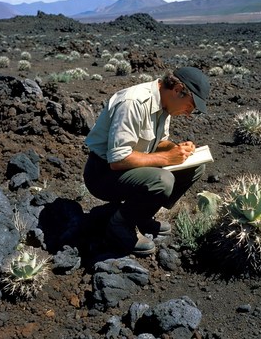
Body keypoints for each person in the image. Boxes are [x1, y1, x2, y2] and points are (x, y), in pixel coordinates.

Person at [83, 66, 210, 256]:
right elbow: (118, 159)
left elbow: (156, 143)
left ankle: (141, 215)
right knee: (162, 179)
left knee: (195, 166)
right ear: (177, 90)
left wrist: (176, 149)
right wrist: (167, 157)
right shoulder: (133, 102)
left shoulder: (164, 105)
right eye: (189, 106)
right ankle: (119, 225)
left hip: (128, 167)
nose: (188, 113)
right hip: (103, 174)